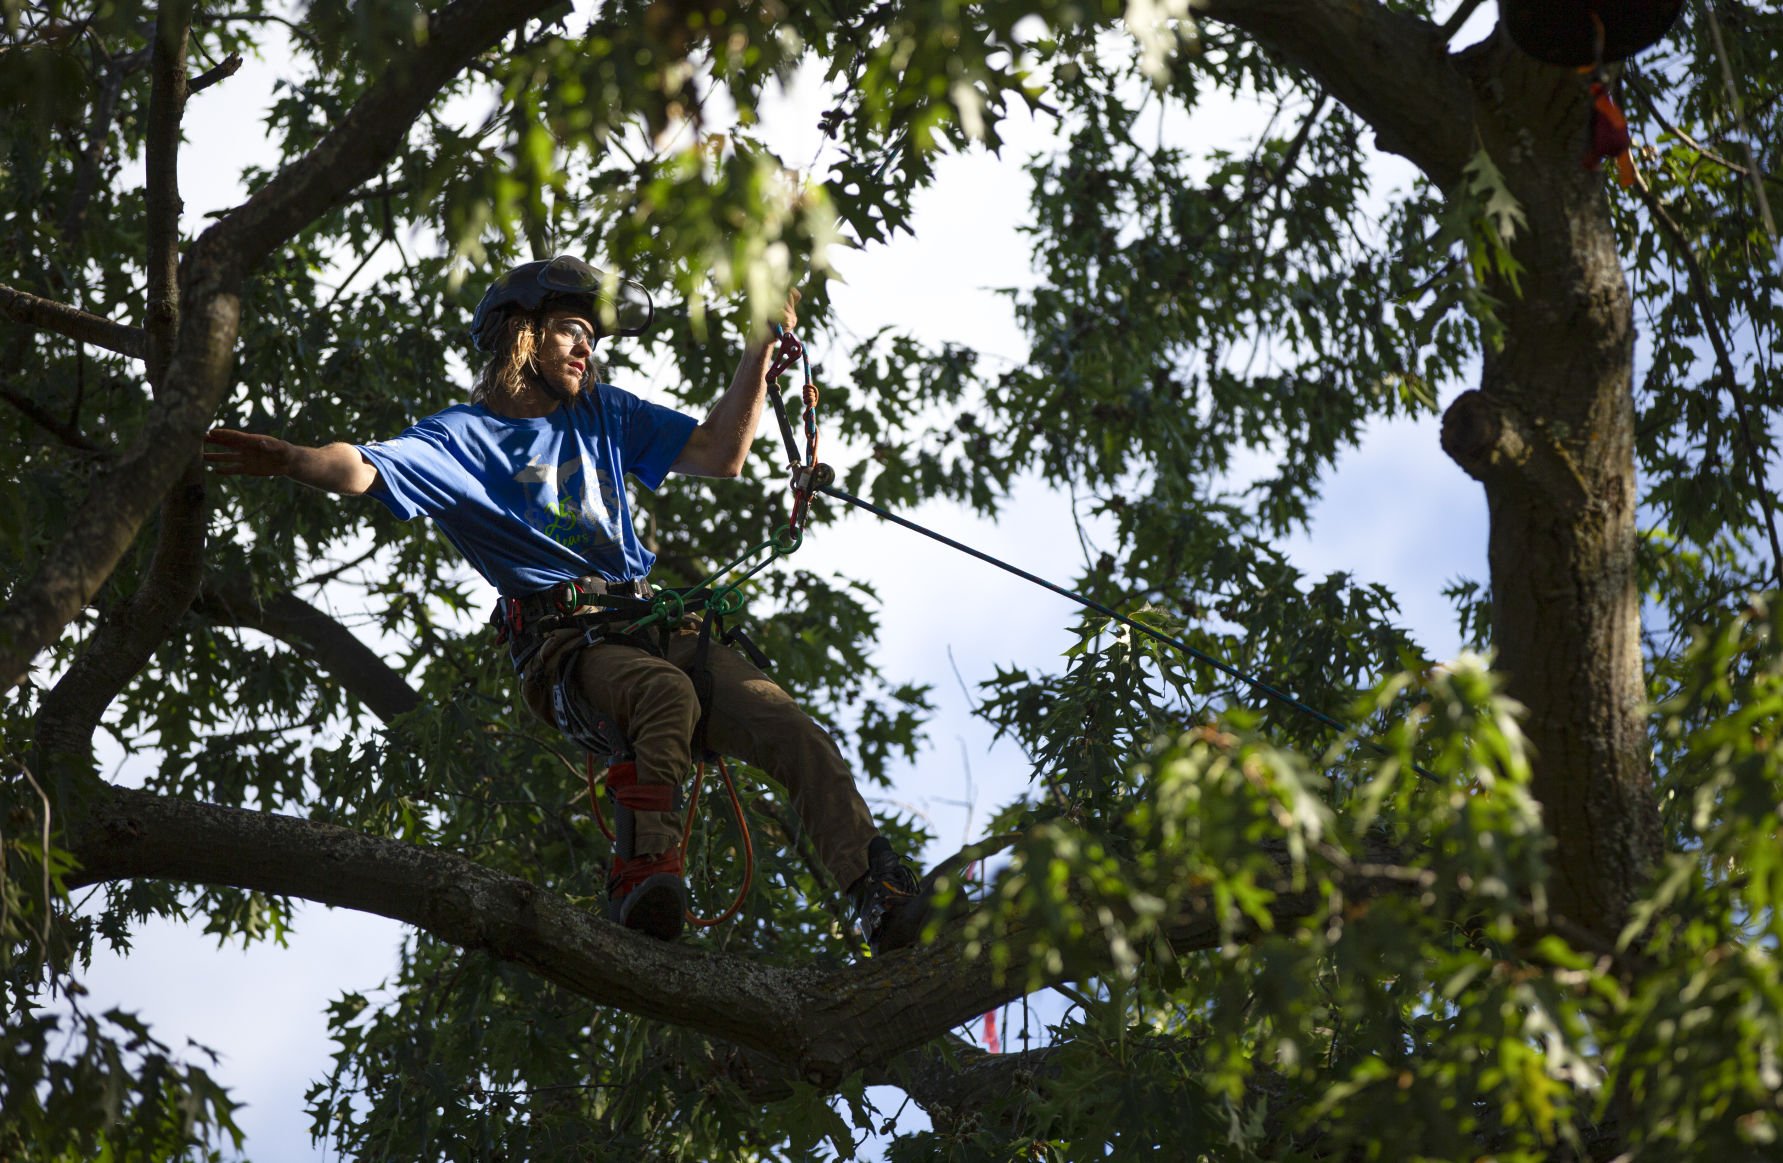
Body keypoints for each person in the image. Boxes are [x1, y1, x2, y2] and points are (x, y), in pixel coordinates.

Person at [205, 255, 922, 951]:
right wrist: (293, 458)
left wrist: (758, 353)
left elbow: (717, 453)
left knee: (786, 722)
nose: (587, 347)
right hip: (571, 647)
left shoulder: (603, 413)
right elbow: (364, 466)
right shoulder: (463, 439)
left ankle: (875, 895)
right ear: (522, 333)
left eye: (592, 335)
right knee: (663, 695)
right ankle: (641, 872)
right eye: (570, 329)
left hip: (651, 620)